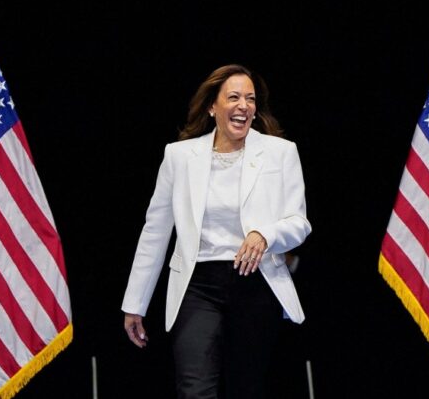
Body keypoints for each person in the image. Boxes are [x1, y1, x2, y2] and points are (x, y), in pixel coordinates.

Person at [121, 64, 312, 399]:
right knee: (195, 390)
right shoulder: (179, 156)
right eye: (234, 97)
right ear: (212, 106)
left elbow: (299, 224)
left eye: (250, 99)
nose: (244, 106)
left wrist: (265, 234)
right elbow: (156, 231)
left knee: (245, 389)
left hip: (256, 284)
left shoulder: (281, 152)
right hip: (198, 287)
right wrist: (135, 303)